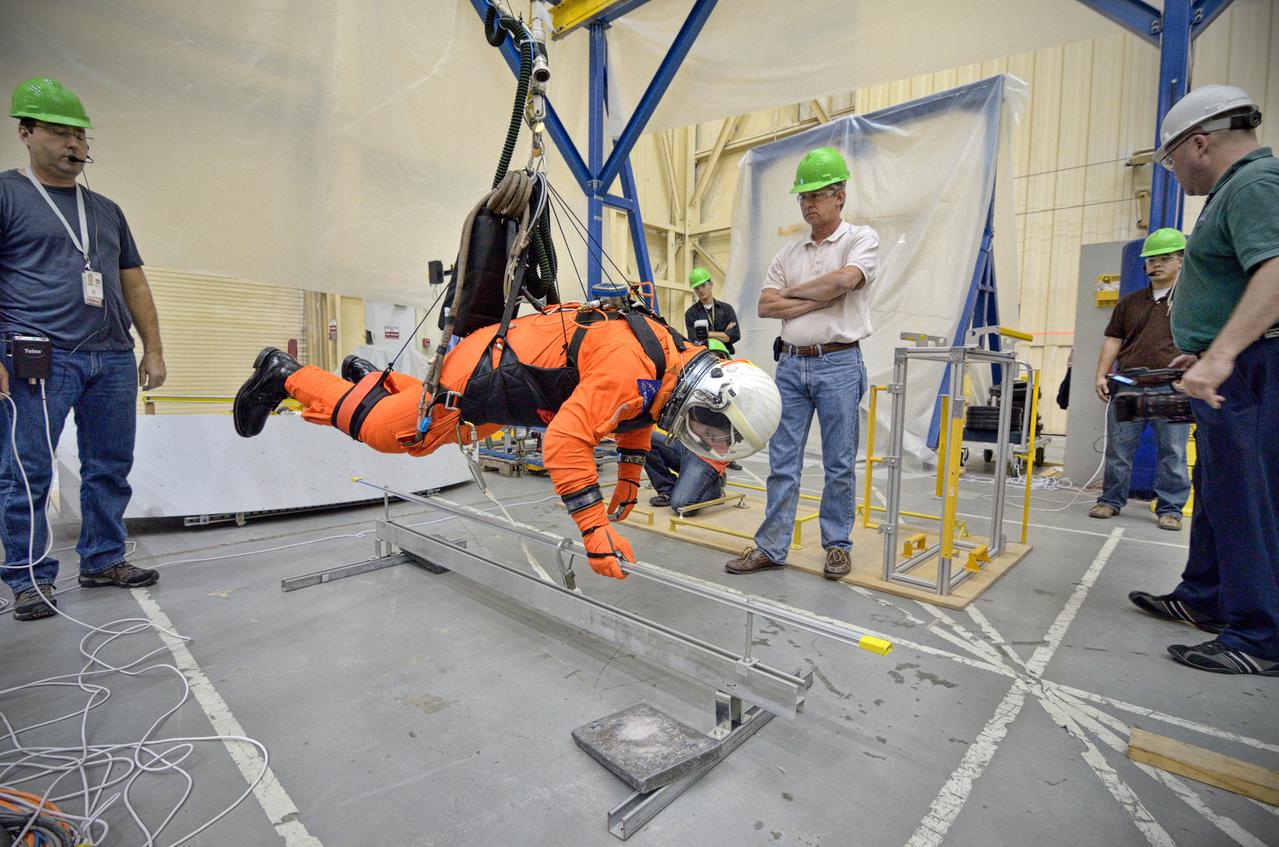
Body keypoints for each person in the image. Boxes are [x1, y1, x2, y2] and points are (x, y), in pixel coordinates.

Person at [233, 305, 781, 580]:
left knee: (433, 437)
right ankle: (283, 374)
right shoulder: (631, 368)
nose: (705, 438)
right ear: (712, 392)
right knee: (393, 433)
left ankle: (371, 381)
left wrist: (631, 482)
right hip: (490, 372)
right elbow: (565, 443)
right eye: (713, 428)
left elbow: (633, 416)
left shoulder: (664, 368)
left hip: (513, 379)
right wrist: (594, 530)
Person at [0, 78, 166, 621]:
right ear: (25, 133)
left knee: (110, 466)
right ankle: (28, 579)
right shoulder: (6, 194)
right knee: (27, 470)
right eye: (57, 132)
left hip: (112, 356)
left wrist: (153, 349)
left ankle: (102, 559)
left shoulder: (107, 210)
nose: (73, 144)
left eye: (79, 134)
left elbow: (134, 282)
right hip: (36, 354)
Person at [1129, 84, 1279, 676]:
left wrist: (1222, 356)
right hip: (1232, 368)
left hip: (1250, 371)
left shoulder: (1253, 185)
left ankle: (1259, 635)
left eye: (1171, 159)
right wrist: (1207, 354)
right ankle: (1206, 597)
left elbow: (1275, 271)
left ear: (1199, 142)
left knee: (1248, 498)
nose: (1173, 171)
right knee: (1217, 493)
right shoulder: (1235, 189)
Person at [725, 146, 877, 580]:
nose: (808, 203)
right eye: (803, 196)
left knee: (839, 462)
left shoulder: (860, 240)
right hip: (790, 366)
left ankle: (837, 546)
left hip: (839, 365)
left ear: (840, 195)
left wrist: (795, 296)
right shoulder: (787, 254)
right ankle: (772, 546)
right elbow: (765, 306)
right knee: (783, 461)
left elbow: (847, 280)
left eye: (816, 195)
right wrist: (822, 293)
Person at [1089, 227, 1191, 530]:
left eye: (1164, 258)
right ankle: (1110, 500)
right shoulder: (1129, 302)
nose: (1156, 264)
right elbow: (1113, 340)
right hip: (1130, 385)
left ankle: (1170, 508)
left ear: (1181, 261)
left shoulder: (1191, 300)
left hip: (1171, 387)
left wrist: (1192, 376)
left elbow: (1205, 340)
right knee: (1119, 450)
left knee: (1172, 452)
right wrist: (1101, 374)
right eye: (1150, 260)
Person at [645, 340, 731, 511]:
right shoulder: (693, 386)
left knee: (682, 504)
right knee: (643, 440)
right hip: (686, 447)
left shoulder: (731, 395)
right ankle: (667, 489)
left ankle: (715, 486)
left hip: (708, 458)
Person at [683, 268, 740, 355]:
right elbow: (694, 340)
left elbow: (735, 335)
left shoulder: (726, 309)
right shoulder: (691, 313)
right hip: (704, 357)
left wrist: (706, 334)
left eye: (703, 285)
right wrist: (724, 333)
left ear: (711, 284)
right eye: (696, 288)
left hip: (725, 355)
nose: (700, 290)